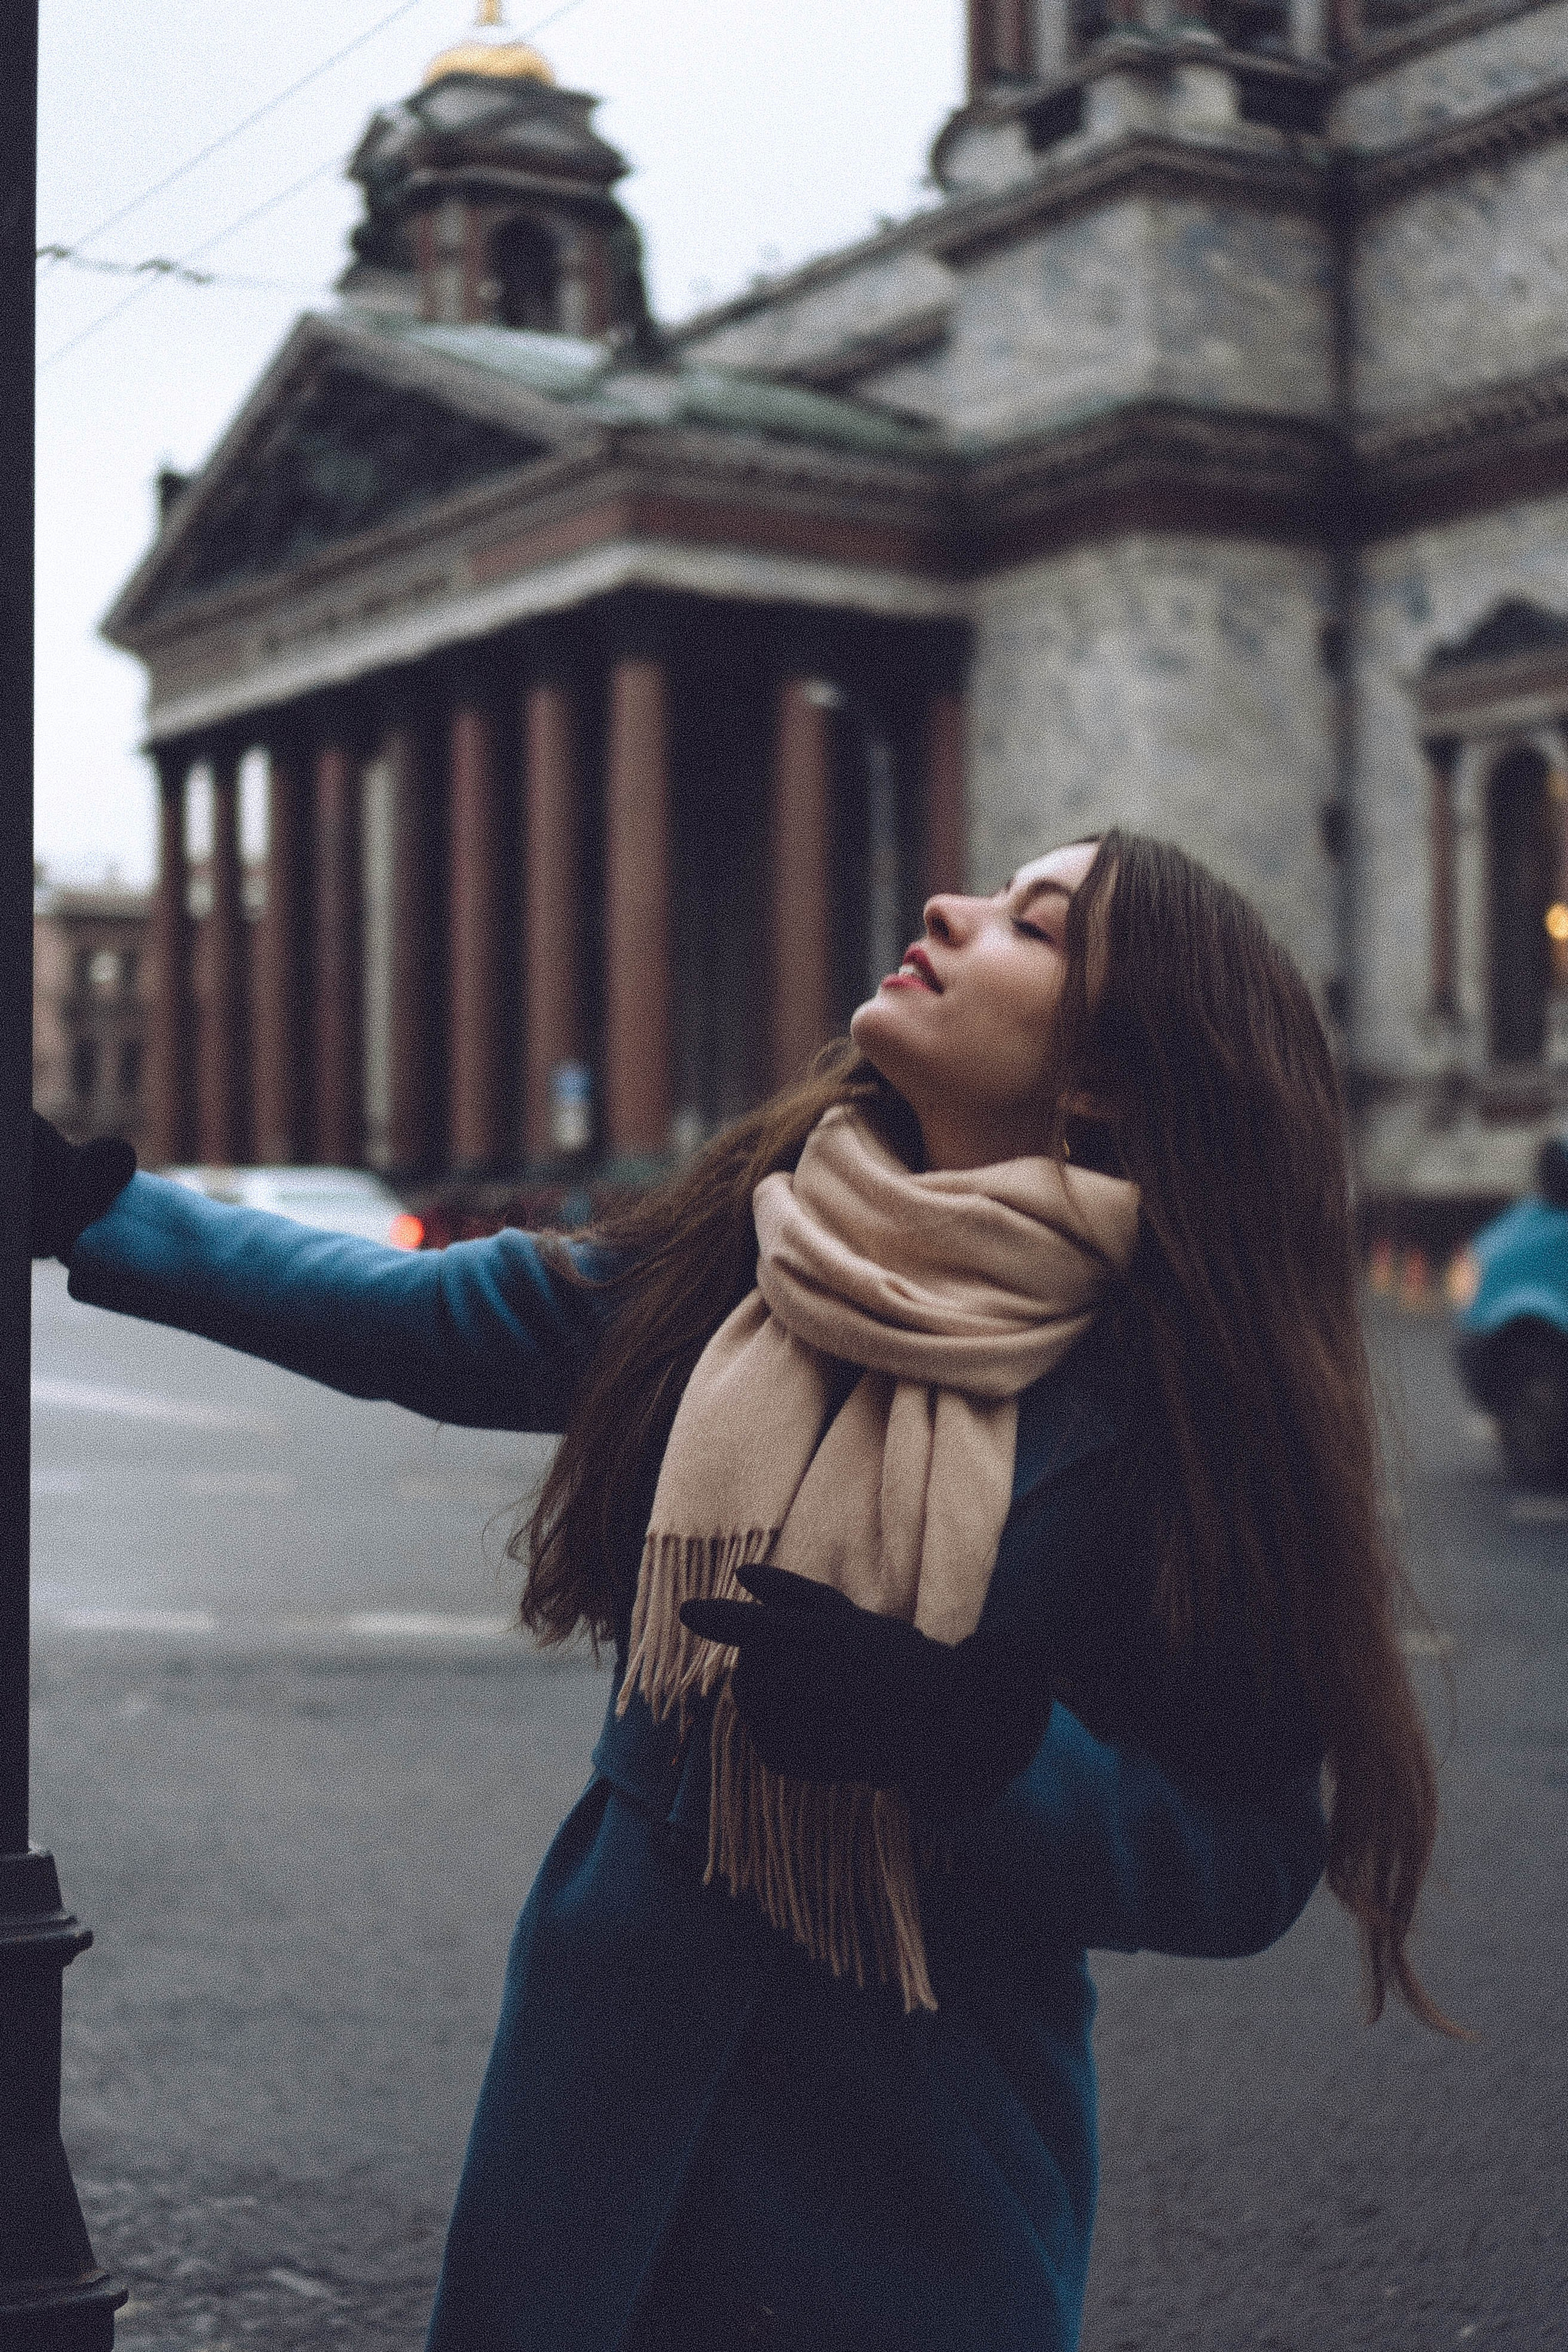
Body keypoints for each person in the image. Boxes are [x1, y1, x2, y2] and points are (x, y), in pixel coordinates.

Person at [31, 829, 1453, 2352]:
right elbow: (418, 1317)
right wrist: (90, 1209)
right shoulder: (749, 1253)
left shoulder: (1175, 1408)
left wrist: (988, 1751)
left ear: (1108, 1073)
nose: (944, 910)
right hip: (596, 2118)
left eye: (1032, 927)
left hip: (917, 2174)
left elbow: (1244, 1858)